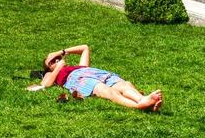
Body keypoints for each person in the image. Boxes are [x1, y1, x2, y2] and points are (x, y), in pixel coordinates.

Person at [28, 44, 162, 111]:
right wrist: (58, 67)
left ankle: (143, 100)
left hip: (96, 73)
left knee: (125, 85)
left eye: (57, 59)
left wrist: (61, 52)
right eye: (51, 62)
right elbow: (46, 84)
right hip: (79, 80)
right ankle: (138, 105)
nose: (56, 61)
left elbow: (85, 48)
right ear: (47, 68)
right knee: (109, 92)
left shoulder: (81, 66)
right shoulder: (50, 74)